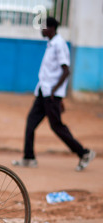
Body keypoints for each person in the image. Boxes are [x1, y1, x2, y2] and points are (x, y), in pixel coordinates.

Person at [13, 17, 95, 171]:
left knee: (57, 126)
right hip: (43, 93)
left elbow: (66, 71)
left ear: (52, 28)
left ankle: (84, 153)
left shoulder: (59, 44)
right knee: (31, 123)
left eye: (44, 27)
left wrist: (55, 92)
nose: (42, 30)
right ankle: (29, 158)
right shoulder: (50, 44)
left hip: (50, 95)